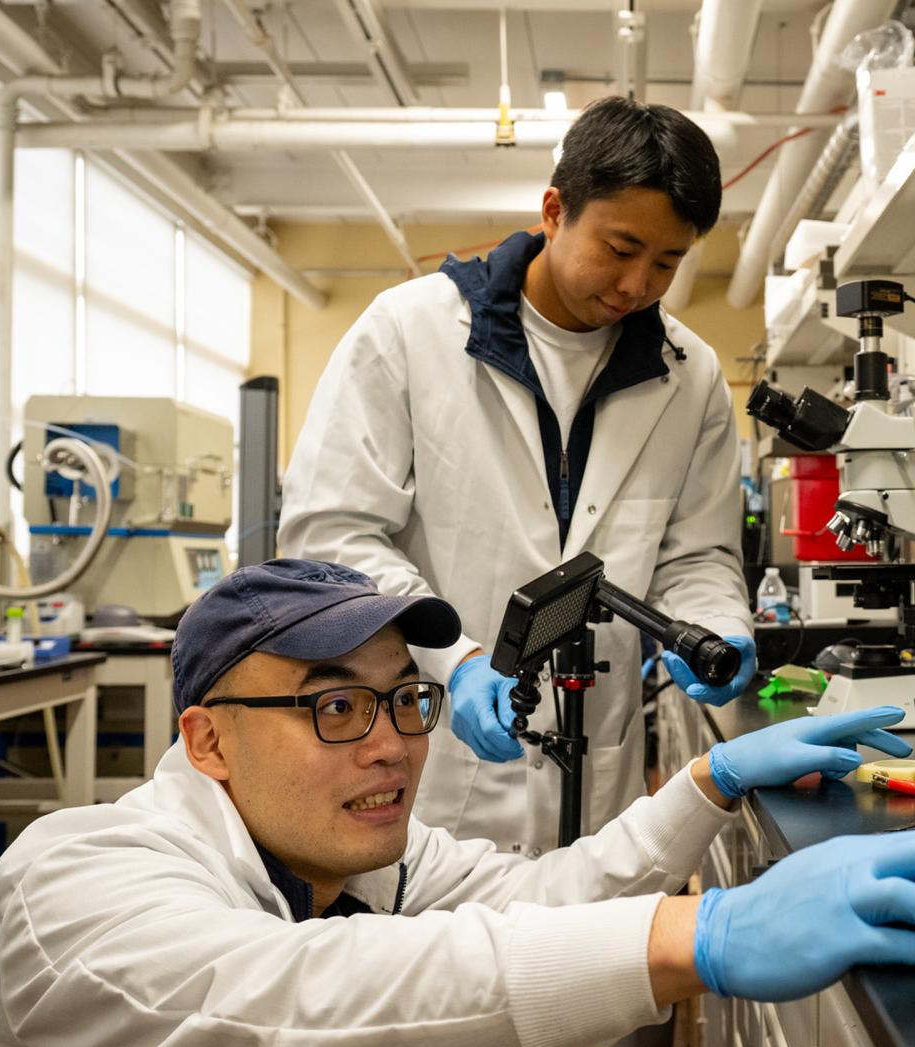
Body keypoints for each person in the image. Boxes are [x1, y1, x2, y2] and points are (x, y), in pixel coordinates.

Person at [0, 560, 915, 1047]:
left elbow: (545, 894)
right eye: (336, 708)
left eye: (404, 700)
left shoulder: (363, 854)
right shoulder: (72, 887)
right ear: (207, 739)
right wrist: (690, 937)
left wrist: (708, 784)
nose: (392, 748)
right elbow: (297, 992)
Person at [278, 96, 757, 862]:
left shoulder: (690, 375)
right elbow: (328, 533)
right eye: (621, 246)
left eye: (668, 262)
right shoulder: (409, 332)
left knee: (582, 966)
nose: (638, 283)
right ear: (555, 209)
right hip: (430, 755)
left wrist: (715, 624)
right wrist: (455, 660)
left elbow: (696, 555)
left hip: (600, 771)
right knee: (435, 968)